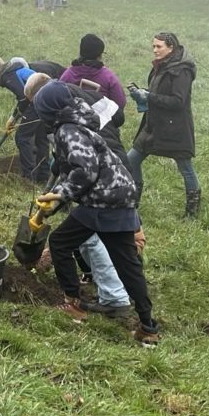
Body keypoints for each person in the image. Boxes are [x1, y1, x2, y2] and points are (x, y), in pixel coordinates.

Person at [33, 81, 160, 345]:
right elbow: (72, 170)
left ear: (48, 110)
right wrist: (55, 200)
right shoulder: (78, 120)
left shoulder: (67, 130)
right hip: (121, 195)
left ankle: (73, 303)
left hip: (102, 200)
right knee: (127, 264)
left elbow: (86, 170)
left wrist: (62, 194)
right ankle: (148, 327)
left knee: (60, 242)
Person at [24, 73, 139, 318]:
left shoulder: (69, 125)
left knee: (94, 238)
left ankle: (113, 296)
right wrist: (55, 189)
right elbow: (71, 160)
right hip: (105, 177)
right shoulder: (73, 106)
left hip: (109, 179)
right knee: (93, 238)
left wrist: (60, 193)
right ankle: (112, 294)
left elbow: (84, 164)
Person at [127, 31, 202, 219]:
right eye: (153, 46)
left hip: (174, 128)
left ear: (171, 47)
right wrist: (143, 94)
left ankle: (192, 214)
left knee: (185, 167)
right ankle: (132, 205)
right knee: (131, 160)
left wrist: (150, 97)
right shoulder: (161, 66)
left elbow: (178, 101)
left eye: (159, 46)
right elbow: (157, 92)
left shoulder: (181, 71)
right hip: (153, 125)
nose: (154, 50)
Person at [0, 54, 64, 184]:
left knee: (22, 137)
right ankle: (43, 175)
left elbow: (23, 97)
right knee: (41, 138)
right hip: (47, 100)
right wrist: (13, 117)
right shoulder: (14, 69)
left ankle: (28, 176)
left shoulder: (7, 75)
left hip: (36, 101)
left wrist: (14, 117)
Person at [59, 34, 127, 109]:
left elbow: (57, 95)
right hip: (101, 119)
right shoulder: (109, 77)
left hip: (72, 118)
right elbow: (120, 103)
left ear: (81, 52)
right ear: (100, 55)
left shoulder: (68, 73)